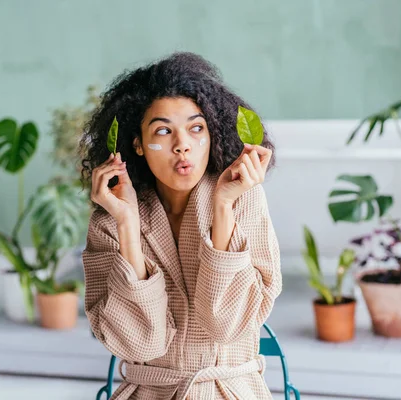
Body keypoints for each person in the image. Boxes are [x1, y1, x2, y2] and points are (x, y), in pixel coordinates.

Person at [80, 52, 282, 400]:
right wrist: (128, 225)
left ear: (213, 133)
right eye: (163, 130)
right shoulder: (111, 219)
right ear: (138, 144)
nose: (182, 145)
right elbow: (139, 343)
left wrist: (223, 206)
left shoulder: (244, 200)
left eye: (196, 128)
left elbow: (227, 326)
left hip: (230, 391)